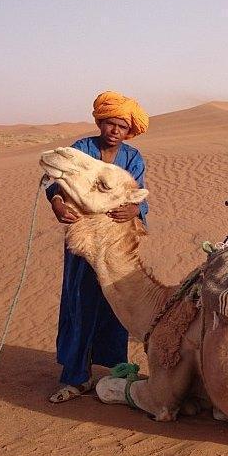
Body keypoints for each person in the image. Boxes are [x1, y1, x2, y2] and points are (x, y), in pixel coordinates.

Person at [46, 91, 150, 403]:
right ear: (101, 123)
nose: (114, 130)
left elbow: (138, 194)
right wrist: (57, 202)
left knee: (118, 304)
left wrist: (135, 211)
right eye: (110, 124)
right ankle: (77, 377)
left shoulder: (132, 158)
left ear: (128, 130)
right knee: (81, 304)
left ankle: (116, 371)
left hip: (115, 241)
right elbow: (57, 181)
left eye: (121, 126)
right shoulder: (82, 150)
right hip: (85, 240)